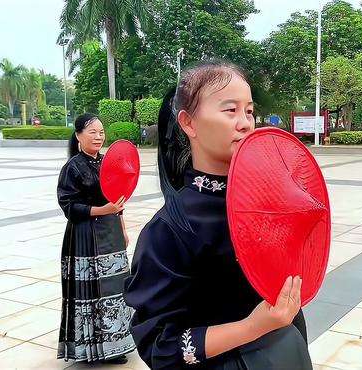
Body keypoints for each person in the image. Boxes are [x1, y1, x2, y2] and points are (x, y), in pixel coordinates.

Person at [124, 60, 312, 369]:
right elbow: (161, 346)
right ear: (189, 123)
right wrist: (252, 327)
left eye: (249, 111)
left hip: (288, 351)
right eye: (230, 110)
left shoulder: (267, 204)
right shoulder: (169, 229)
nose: (245, 123)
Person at [56, 113, 135, 364]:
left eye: (101, 132)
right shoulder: (73, 167)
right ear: (78, 135)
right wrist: (102, 211)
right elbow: (68, 205)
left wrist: (121, 228)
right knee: (90, 291)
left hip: (111, 232)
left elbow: (118, 200)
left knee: (115, 288)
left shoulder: (108, 163)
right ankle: (88, 349)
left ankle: (115, 345)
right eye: (92, 132)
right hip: (85, 237)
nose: (98, 137)